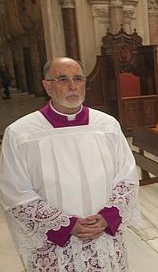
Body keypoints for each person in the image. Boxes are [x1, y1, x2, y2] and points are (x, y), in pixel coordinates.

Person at [0, 57, 140, 271]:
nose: (73, 86)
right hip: (56, 244)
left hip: (104, 236)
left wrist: (109, 215)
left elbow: (127, 176)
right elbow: (15, 191)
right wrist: (64, 224)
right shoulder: (21, 133)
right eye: (63, 79)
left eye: (78, 79)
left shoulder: (107, 125)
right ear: (47, 86)